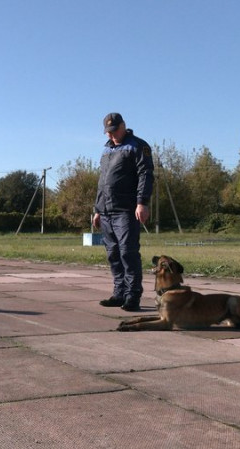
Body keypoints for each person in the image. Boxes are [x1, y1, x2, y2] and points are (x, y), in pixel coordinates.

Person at [92, 113, 154, 311]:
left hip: (126, 210)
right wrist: (97, 209)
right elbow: (102, 182)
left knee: (128, 252)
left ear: (123, 126)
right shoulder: (106, 150)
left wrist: (142, 203)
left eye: (115, 131)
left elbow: (145, 175)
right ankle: (119, 293)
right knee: (113, 253)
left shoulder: (137, 146)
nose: (112, 136)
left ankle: (133, 295)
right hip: (106, 210)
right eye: (108, 133)